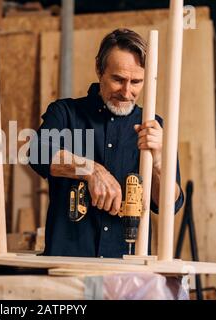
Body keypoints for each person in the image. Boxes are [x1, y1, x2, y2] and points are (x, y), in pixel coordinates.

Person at [28, 28, 184, 258]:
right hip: (69, 265)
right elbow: (37, 153)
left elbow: (168, 205)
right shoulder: (66, 113)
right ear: (99, 70)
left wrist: (160, 162)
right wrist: (90, 169)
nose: (127, 91)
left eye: (136, 82)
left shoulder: (152, 125)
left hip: (127, 268)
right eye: (118, 79)